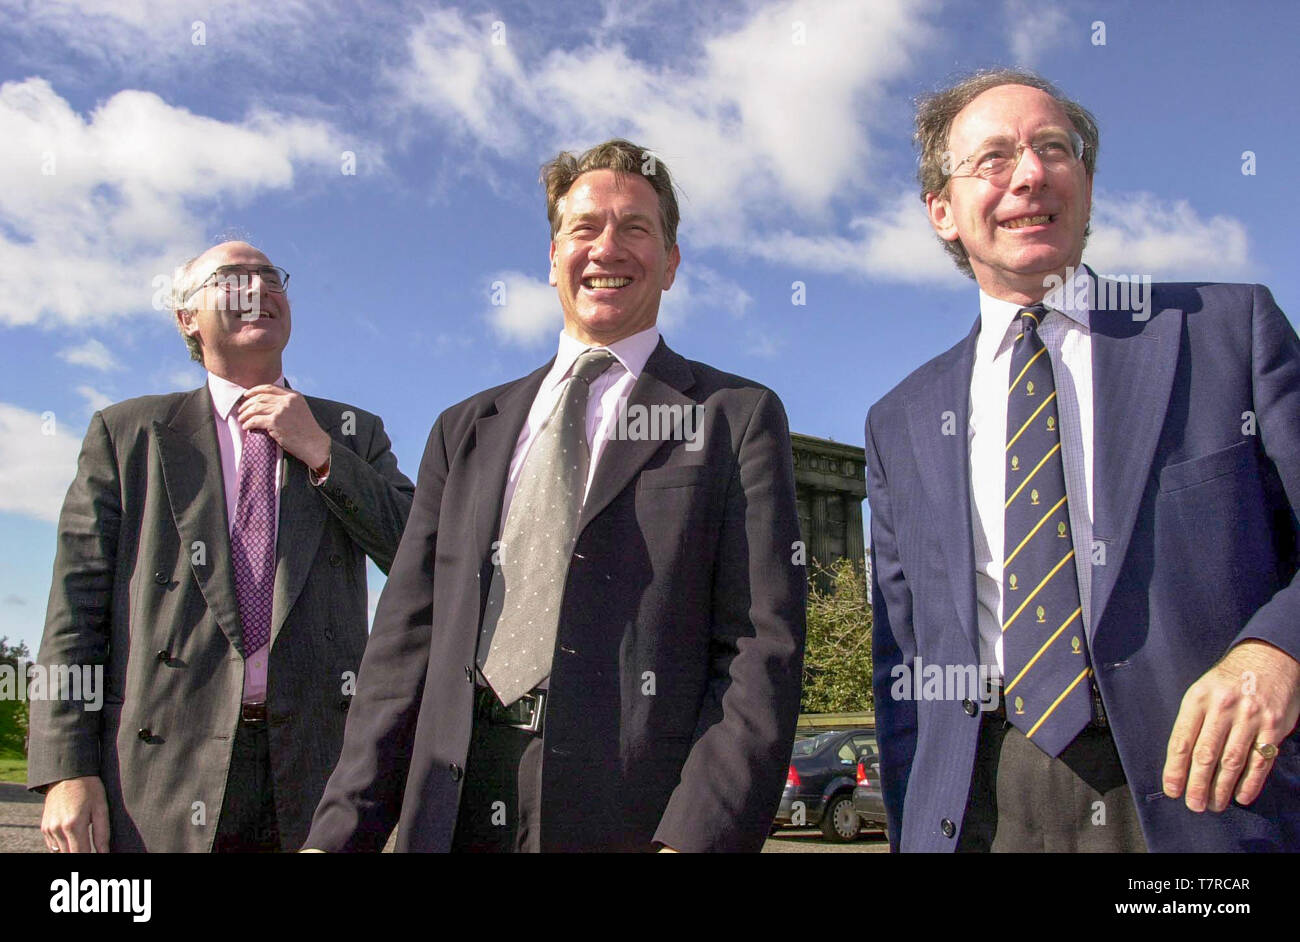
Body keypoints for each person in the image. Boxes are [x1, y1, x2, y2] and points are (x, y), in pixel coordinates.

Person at [304, 139, 806, 853]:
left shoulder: (736, 416)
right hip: (452, 808)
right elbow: (402, 646)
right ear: (551, 258)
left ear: (671, 263)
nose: (608, 247)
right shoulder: (463, 430)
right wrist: (338, 833)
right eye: (585, 227)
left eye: (636, 228)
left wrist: (694, 841)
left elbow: (761, 651)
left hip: (628, 813)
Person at [866, 68, 1300, 852]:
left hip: (1199, 798)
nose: (1029, 174)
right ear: (942, 211)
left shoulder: (1230, 331)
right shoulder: (898, 420)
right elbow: (905, 667)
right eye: (993, 158)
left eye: (1053, 149)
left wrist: (1276, 652)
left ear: (1088, 185)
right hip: (981, 806)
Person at [28, 240, 415, 852]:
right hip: (160, 774)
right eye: (234, 279)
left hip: (316, 770)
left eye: (271, 276)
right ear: (187, 317)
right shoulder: (127, 433)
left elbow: (417, 557)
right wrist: (65, 769)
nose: (259, 287)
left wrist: (321, 454)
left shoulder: (350, 431)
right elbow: (73, 613)